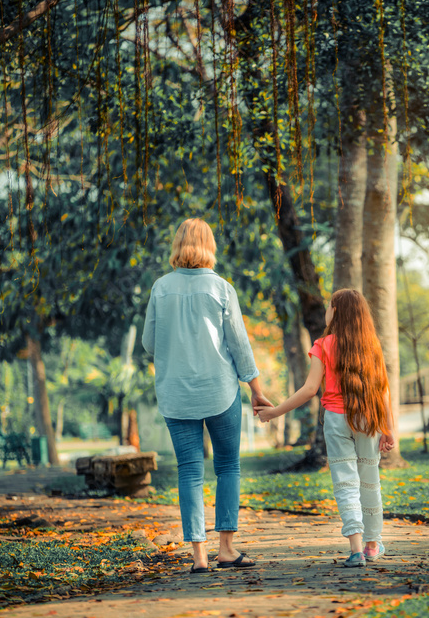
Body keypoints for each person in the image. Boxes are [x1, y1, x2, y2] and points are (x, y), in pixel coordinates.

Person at [142, 218, 272, 573]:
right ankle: (226, 550)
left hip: (176, 392)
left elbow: (149, 344)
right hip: (220, 390)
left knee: (189, 471)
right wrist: (256, 390)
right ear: (209, 246)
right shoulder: (221, 288)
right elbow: (239, 345)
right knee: (228, 466)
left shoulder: (160, 288)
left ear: (177, 244)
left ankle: (199, 557)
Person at [257, 289, 395, 568]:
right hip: (368, 419)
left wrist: (275, 412)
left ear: (336, 311)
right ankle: (372, 545)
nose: (326, 311)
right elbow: (383, 390)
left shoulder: (323, 344)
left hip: (335, 419)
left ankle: (356, 550)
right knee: (370, 481)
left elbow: (309, 389)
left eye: (330, 306)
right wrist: (388, 428)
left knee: (345, 482)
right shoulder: (372, 345)